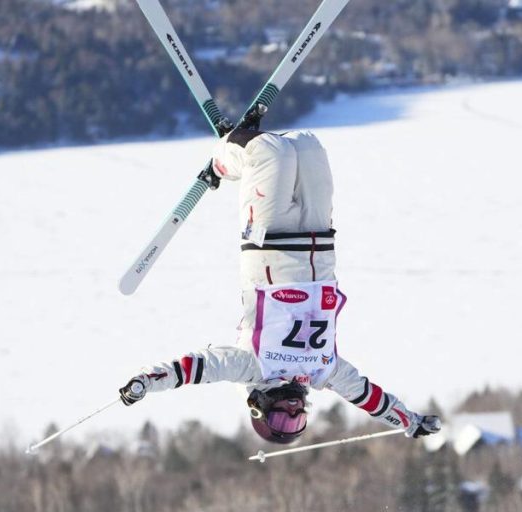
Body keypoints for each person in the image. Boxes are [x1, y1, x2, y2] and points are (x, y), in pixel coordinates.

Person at [119, 128, 442, 444]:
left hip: (270, 238)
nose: (293, 410)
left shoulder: (252, 368)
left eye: (282, 418)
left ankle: (222, 160)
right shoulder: (324, 372)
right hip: (319, 239)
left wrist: (146, 381)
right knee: (307, 146)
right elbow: (370, 398)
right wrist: (411, 422)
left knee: (269, 151)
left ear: (258, 408)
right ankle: (248, 141)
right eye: (298, 419)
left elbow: (195, 368)